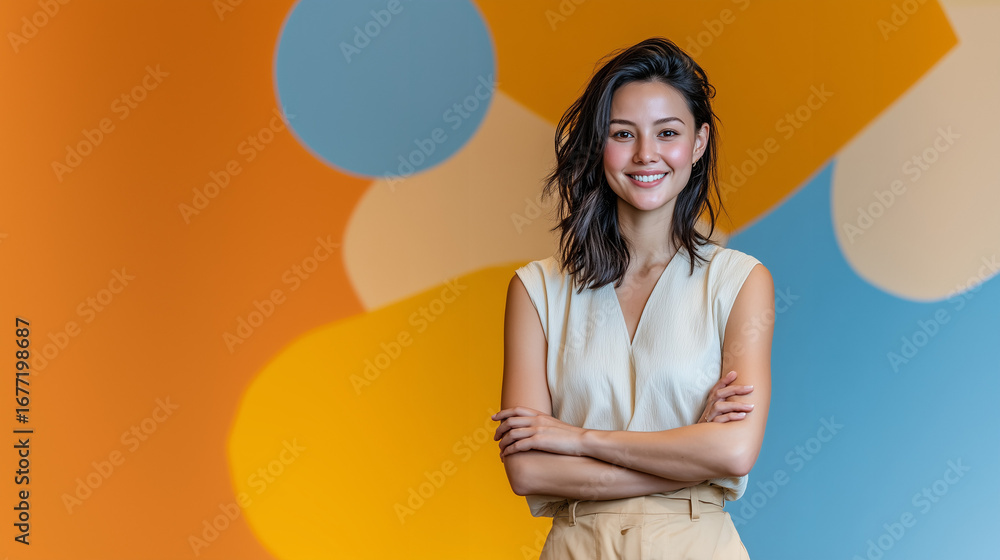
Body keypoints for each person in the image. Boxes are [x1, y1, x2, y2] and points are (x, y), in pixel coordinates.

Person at [491, 37, 774, 559]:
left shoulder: (740, 281)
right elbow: (528, 468)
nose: (647, 154)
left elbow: (734, 451)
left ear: (698, 143)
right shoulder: (536, 290)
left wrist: (577, 439)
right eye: (624, 134)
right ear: (599, 144)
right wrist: (689, 449)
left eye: (668, 132)